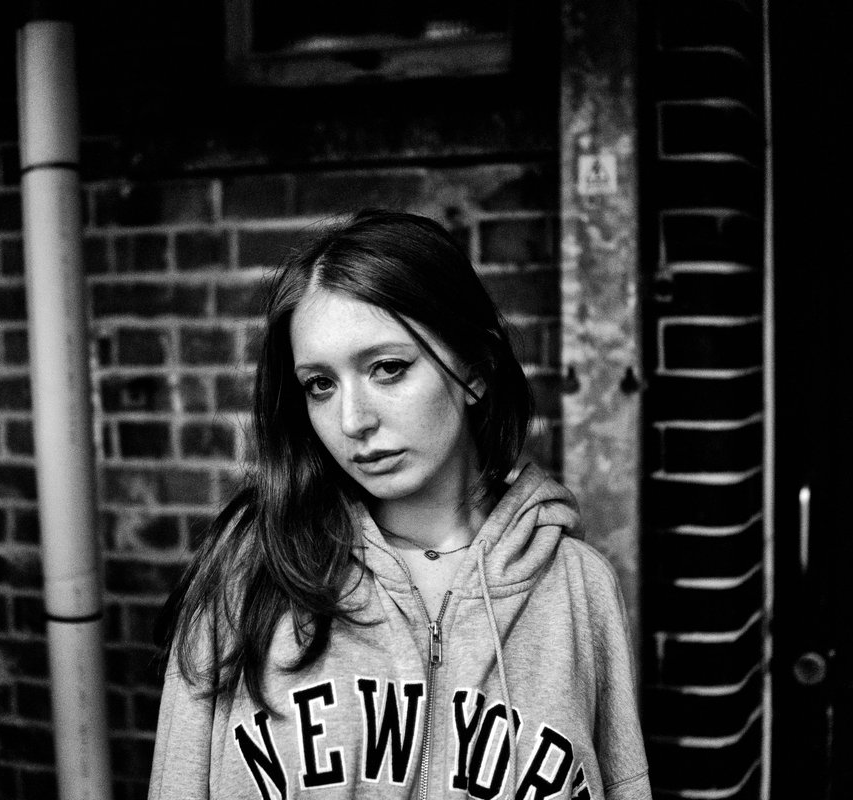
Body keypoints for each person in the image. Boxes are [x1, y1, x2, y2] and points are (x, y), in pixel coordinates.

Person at [149, 209, 651, 800]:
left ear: (475, 369)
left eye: (388, 369)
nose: (352, 421)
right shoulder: (248, 576)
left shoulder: (579, 587)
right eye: (320, 384)